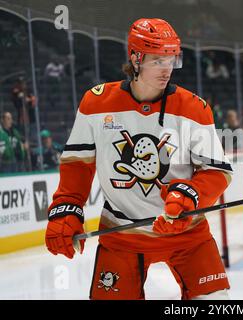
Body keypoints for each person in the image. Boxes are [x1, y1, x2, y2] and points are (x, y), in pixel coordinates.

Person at [44, 18, 233, 300]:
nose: (166, 69)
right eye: (157, 60)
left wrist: (191, 193)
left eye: (171, 59)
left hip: (186, 233)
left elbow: (218, 171)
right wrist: (67, 206)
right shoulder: (95, 103)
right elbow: (77, 164)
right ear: (135, 58)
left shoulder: (195, 108)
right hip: (121, 236)